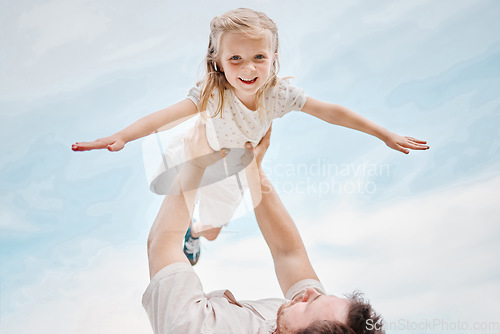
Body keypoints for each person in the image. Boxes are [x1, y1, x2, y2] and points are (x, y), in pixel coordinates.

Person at [72, 8, 429, 264]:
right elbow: (163, 117)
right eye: (236, 58)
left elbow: (331, 111)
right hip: (195, 154)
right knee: (175, 210)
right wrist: (121, 136)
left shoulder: (279, 95)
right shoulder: (212, 93)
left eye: (259, 56)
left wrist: (383, 134)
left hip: (231, 171)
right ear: (218, 60)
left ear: (274, 57)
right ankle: (180, 228)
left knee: (210, 231)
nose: (248, 68)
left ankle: (193, 234)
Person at [143, 121, 385, 333]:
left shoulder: (195, 329)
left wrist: (195, 164)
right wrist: (254, 169)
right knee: (212, 226)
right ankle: (196, 232)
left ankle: (194, 233)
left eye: (309, 303)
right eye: (320, 295)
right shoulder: (303, 319)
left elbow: (162, 243)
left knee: (208, 227)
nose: (310, 292)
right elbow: (289, 253)